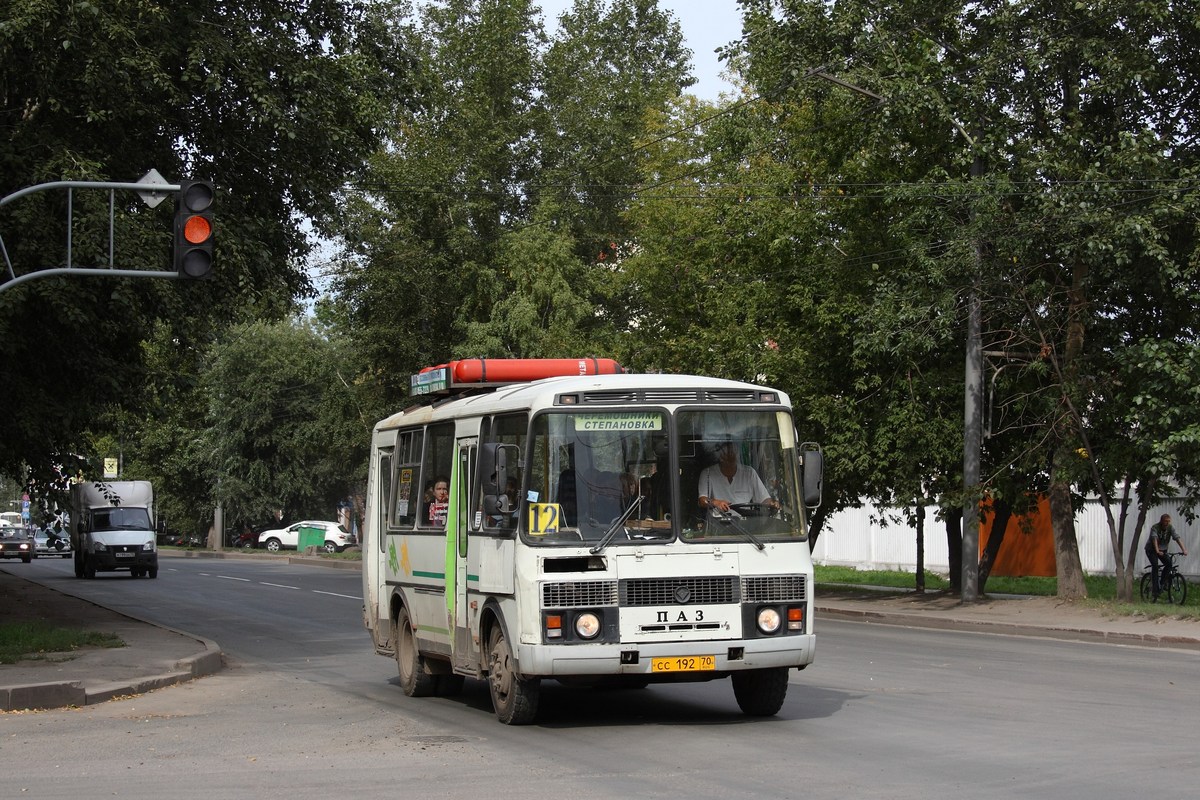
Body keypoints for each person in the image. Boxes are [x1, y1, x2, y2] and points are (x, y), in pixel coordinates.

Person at [697, 441, 779, 517]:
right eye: (727, 458)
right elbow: (702, 500)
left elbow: (764, 498)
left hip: (746, 525)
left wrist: (771, 504)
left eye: (733, 458)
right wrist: (715, 502)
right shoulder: (708, 474)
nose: (731, 461)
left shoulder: (749, 473)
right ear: (720, 458)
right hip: (718, 526)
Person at [1145, 513, 1188, 601]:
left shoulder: (1170, 528)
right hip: (1152, 550)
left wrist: (1184, 550)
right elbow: (1154, 539)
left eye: (1168, 521)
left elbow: (1177, 538)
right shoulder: (1155, 527)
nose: (1167, 523)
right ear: (1161, 521)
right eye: (1165, 521)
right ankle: (1155, 590)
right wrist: (1157, 550)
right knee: (1155, 566)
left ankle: (1162, 583)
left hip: (1162, 550)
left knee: (1169, 564)